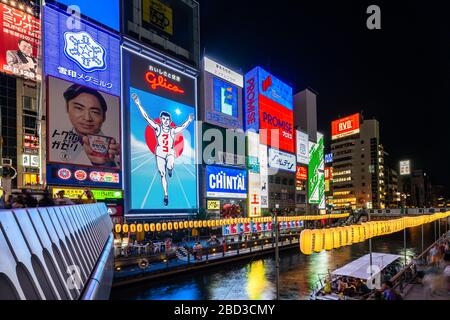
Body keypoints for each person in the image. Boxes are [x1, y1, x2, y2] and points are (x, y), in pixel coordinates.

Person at [132, 93, 194, 206]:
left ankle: (170, 169)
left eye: (167, 119)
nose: (165, 121)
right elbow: (146, 117)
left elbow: (182, 127)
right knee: (162, 174)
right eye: (163, 119)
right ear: (161, 119)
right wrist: (138, 104)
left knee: (170, 165)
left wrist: (189, 120)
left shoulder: (172, 130)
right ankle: (166, 195)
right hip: (160, 153)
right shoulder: (157, 128)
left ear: (170, 121)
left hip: (169, 152)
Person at [58, 84, 120, 167]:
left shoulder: (115, 149)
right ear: (67, 108)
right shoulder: (58, 140)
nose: (87, 118)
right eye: (79, 108)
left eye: (94, 112)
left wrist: (107, 163)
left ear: (104, 117)